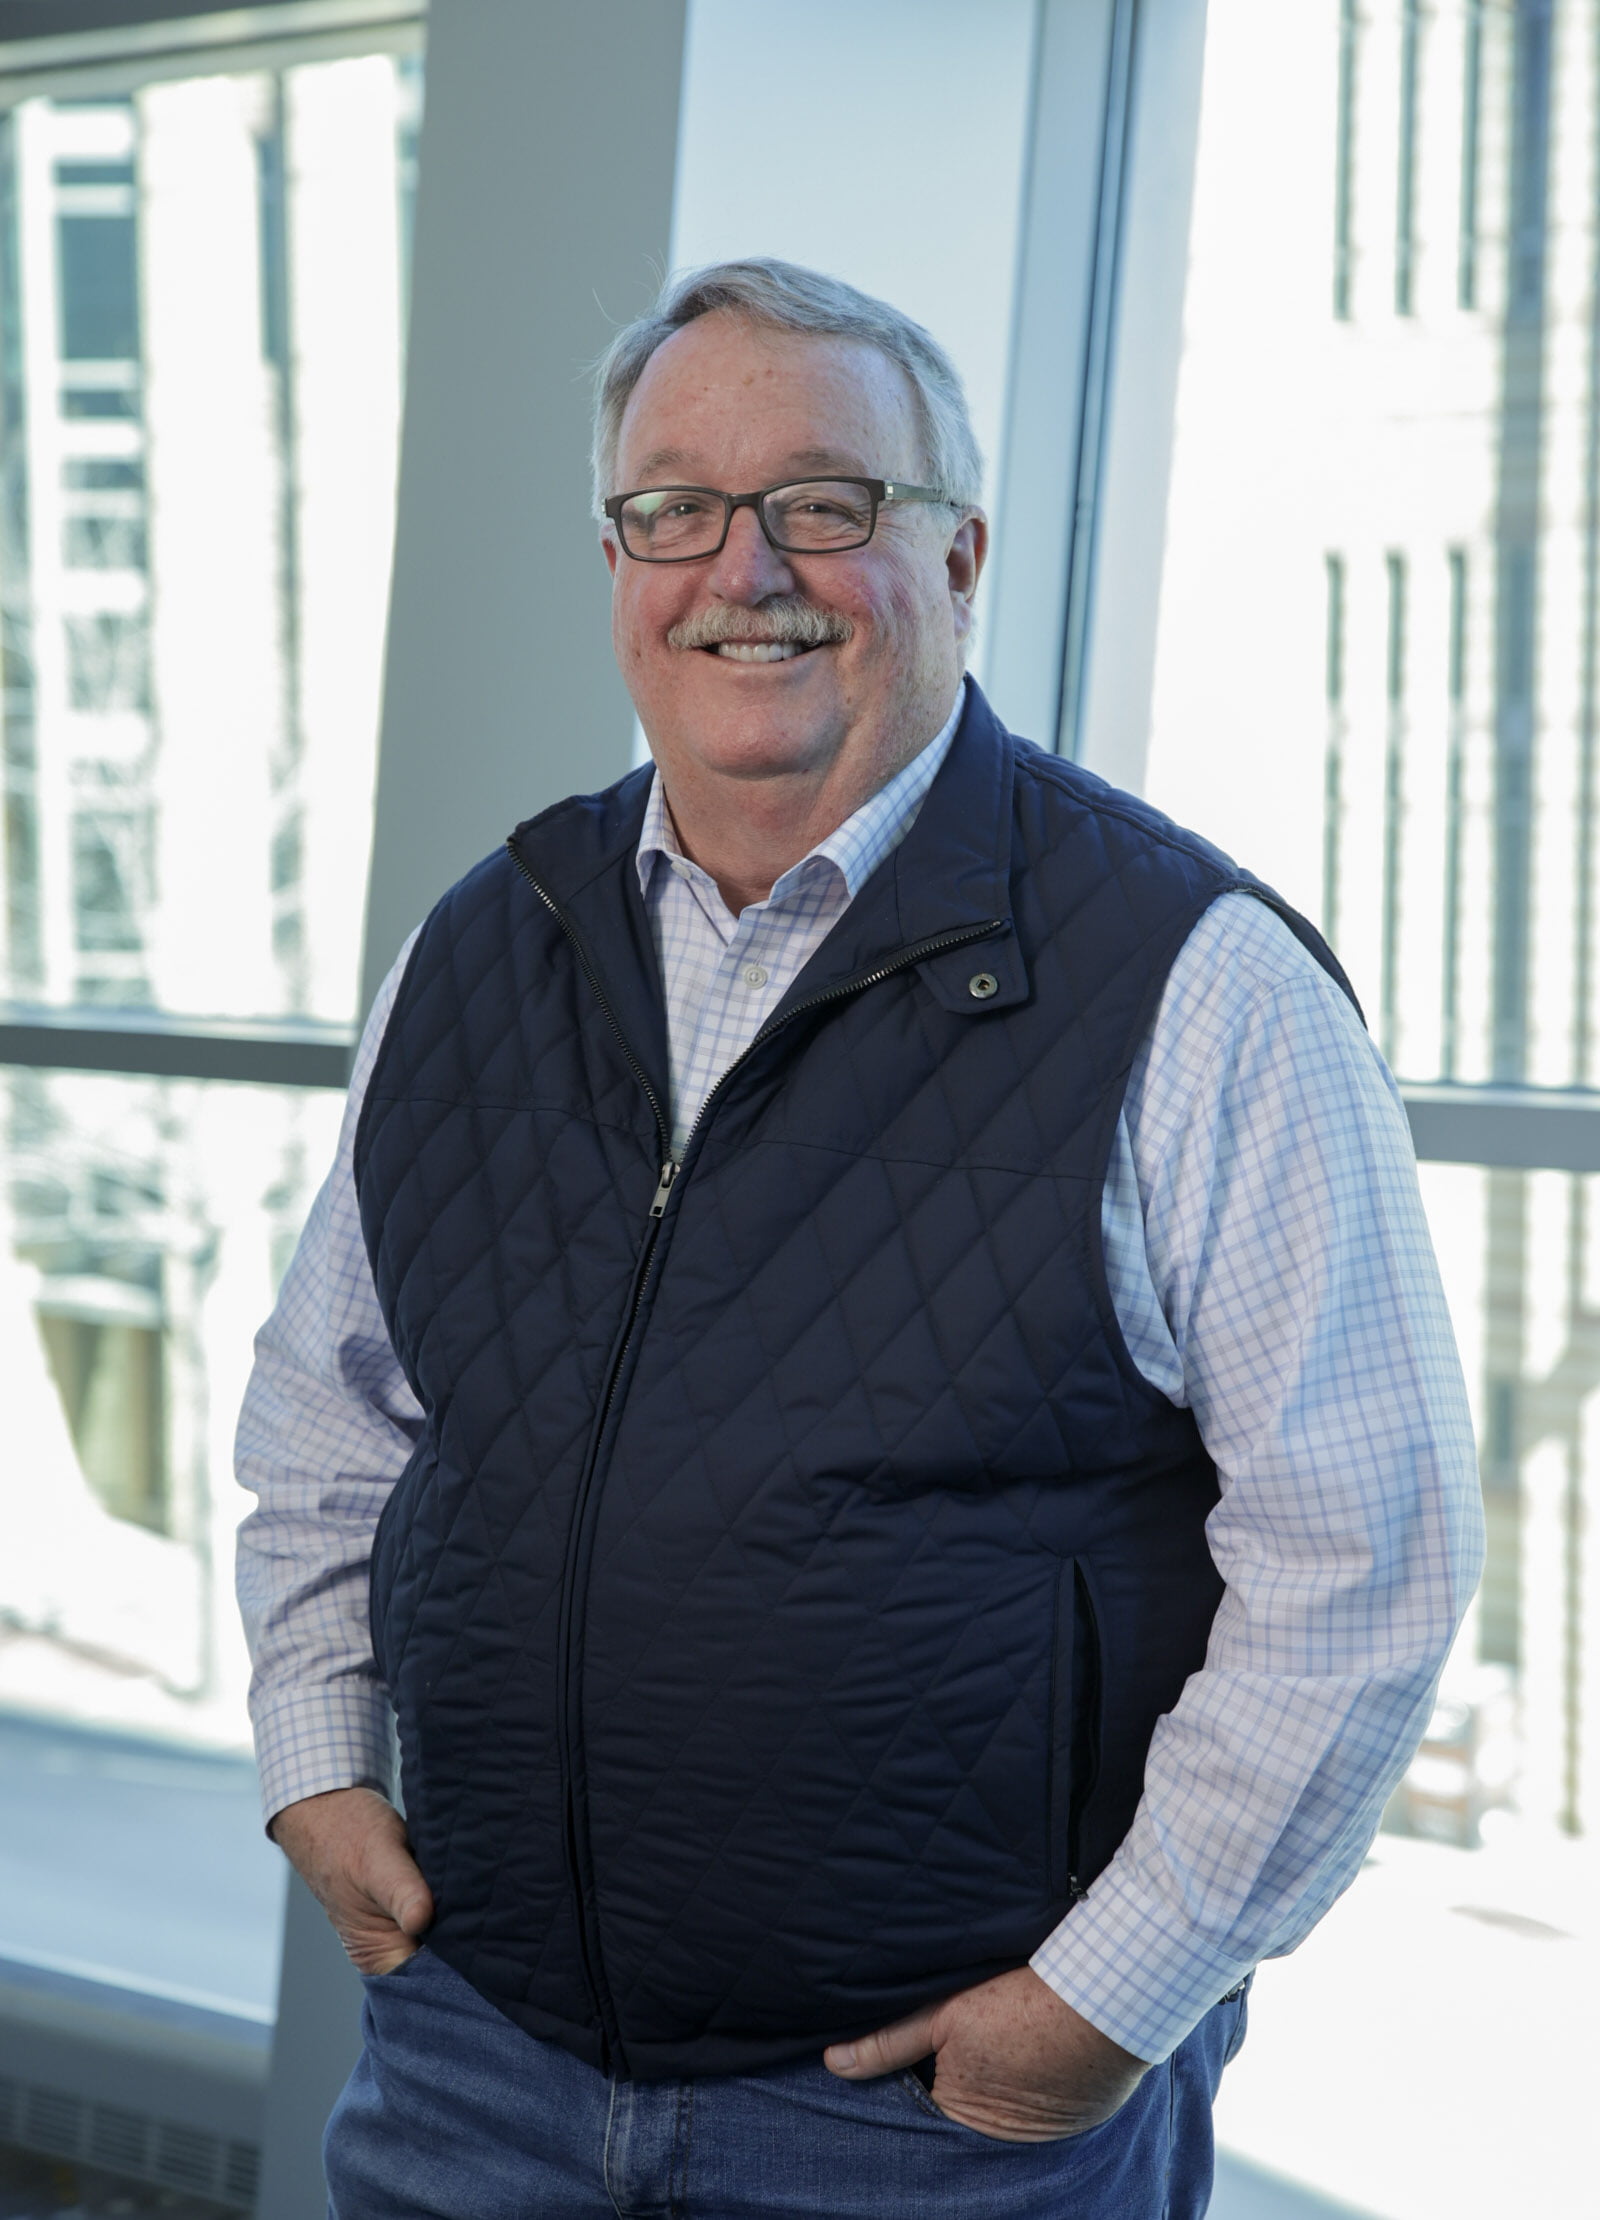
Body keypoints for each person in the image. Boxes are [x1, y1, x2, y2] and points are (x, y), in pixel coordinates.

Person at [235, 258, 1483, 2220]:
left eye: (826, 501)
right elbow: (333, 1420)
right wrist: (316, 1757)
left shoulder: (1192, 980)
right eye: (672, 509)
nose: (745, 567)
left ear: (959, 551)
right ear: (617, 555)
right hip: (475, 2053)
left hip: (923, 2117)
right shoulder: (483, 944)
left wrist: (1108, 1997)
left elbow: (1363, 1554)